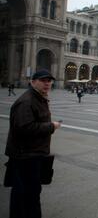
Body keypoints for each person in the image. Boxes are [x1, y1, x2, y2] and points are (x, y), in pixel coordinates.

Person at [4, 69, 61, 218]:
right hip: (26, 156)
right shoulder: (27, 101)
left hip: (31, 154)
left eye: (49, 80)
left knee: (29, 193)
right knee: (26, 194)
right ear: (33, 81)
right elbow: (24, 128)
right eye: (43, 80)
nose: (47, 83)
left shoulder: (37, 98)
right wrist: (51, 126)